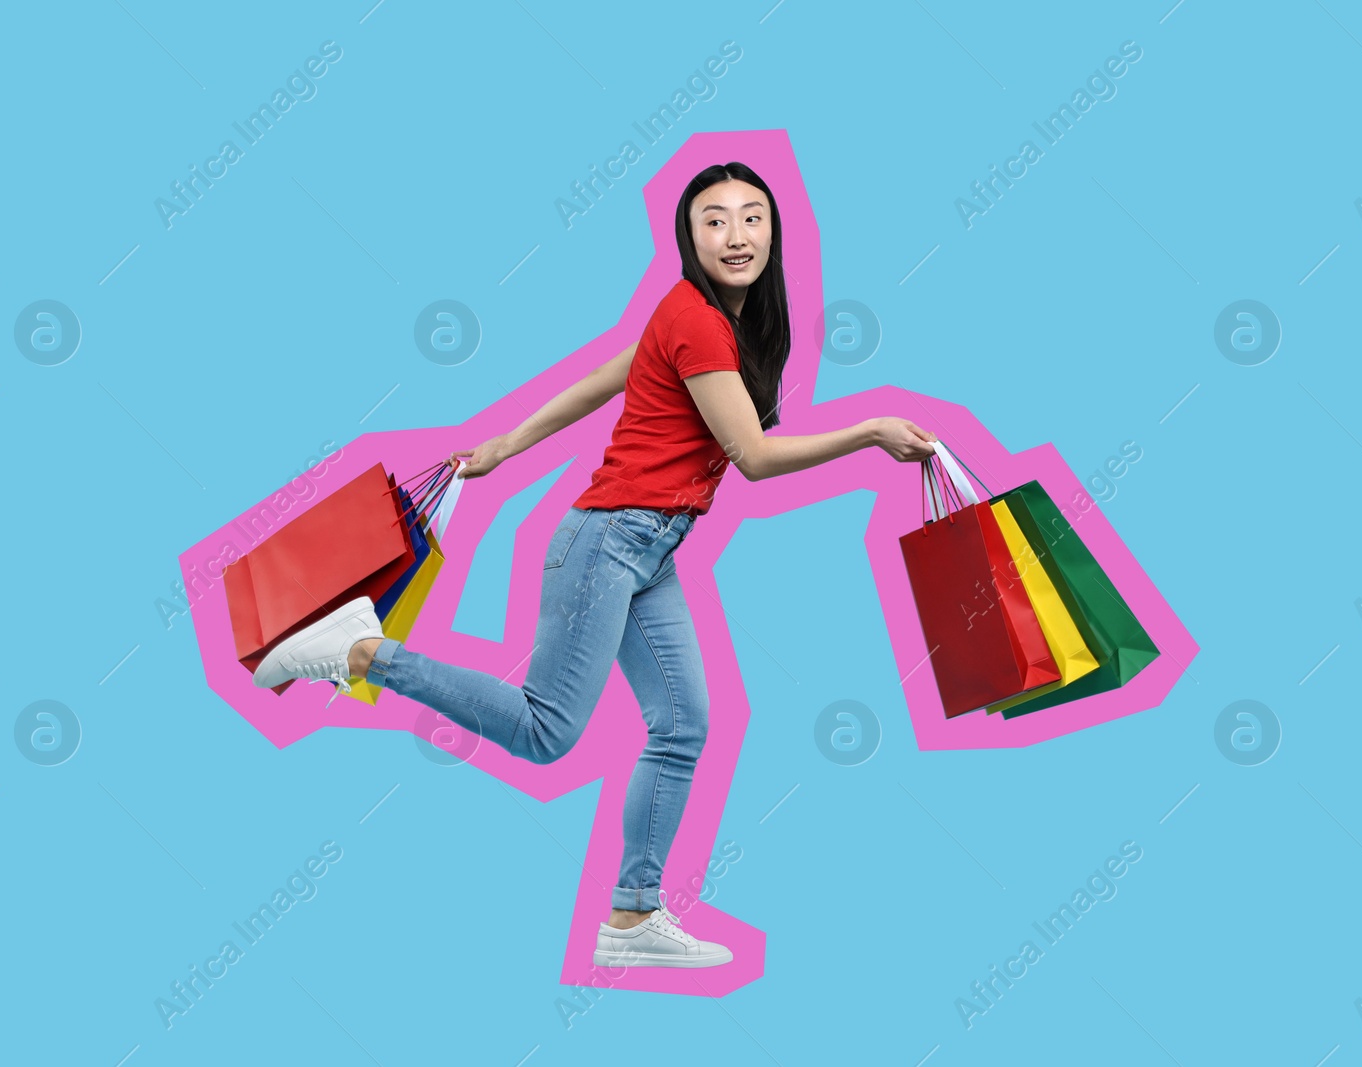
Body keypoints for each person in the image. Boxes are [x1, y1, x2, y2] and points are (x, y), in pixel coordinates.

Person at [253, 162, 937, 968]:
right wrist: (869, 431)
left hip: (649, 550)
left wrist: (507, 443)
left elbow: (599, 385)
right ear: (688, 236)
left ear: (775, 232)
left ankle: (632, 917)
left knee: (683, 724)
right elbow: (750, 456)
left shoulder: (710, 319)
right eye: (713, 220)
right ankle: (360, 651)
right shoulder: (698, 320)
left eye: (752, 217)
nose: (736, 234)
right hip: (608, 543)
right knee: (547, 731)